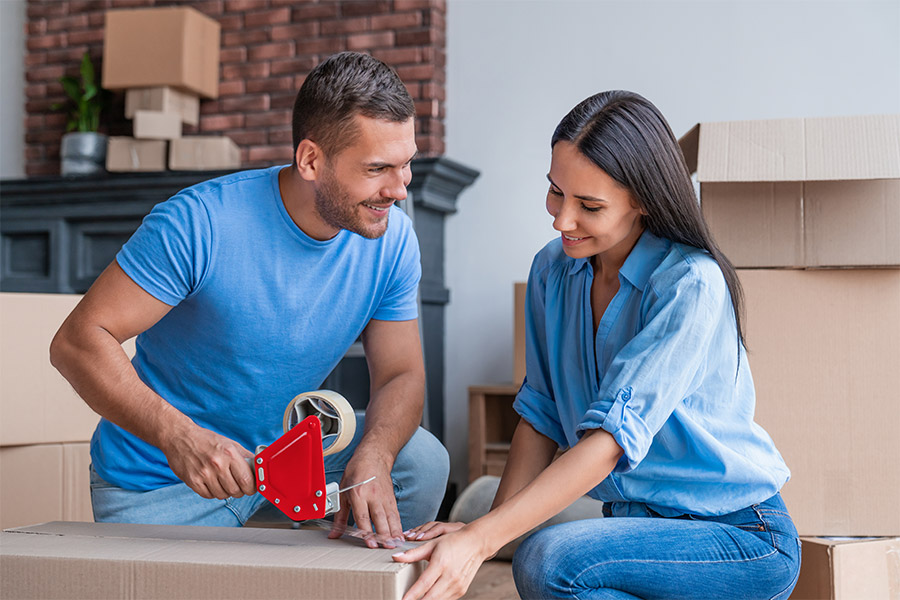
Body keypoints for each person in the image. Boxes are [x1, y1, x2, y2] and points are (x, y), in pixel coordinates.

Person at [394, 91, 801, 599]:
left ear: (643, 202)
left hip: (741, 537)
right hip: (639, 533)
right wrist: (491, 532)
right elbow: (540, 415)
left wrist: (481, 539)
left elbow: (609, 443)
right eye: (554, 192)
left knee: (550, 559)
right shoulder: (552, 271)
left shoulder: (689, 283)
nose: (562, 220)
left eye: (589, 205)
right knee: (546, 561)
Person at [49, 51, 449, 544]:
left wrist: (375, 454)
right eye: (377, 169)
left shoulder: (393, 241)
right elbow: (76, 341)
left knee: (420, 462)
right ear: (310, 160)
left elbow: (401, 373)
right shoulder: (199, 223)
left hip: (291, 458)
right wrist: (181, 438)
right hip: (168, 478)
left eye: (406, 164)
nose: (400, 189)